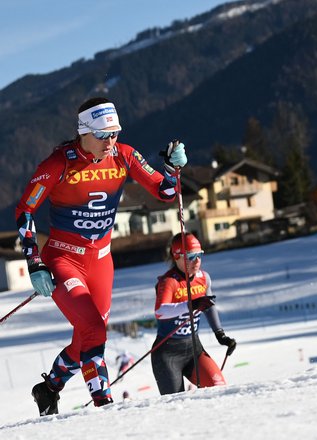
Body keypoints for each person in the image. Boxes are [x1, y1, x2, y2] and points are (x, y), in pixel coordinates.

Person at [17, 97, 187, 415]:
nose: (111, 140)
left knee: (88, 337)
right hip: (63, 260)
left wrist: (172, 168)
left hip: (101, 262)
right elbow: (24, 210)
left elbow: (166, 193)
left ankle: (49, 388)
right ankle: (105, 407)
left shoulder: (124, 155)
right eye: (104, 134)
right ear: (85, 131)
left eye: (115, 133)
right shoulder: (59, 163)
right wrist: (35, 262)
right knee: (93, 329)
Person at [151, 232, 237, 395]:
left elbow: (209, 306)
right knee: (176, 402)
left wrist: (220, 334)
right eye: (191, 256)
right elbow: (160, 312)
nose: (197, 261)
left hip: (193, 349)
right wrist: (190, 305)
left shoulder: (204, 278)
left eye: (199, 255)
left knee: (219, 388)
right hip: (167, 354)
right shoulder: (169, 281)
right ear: (177, 256)